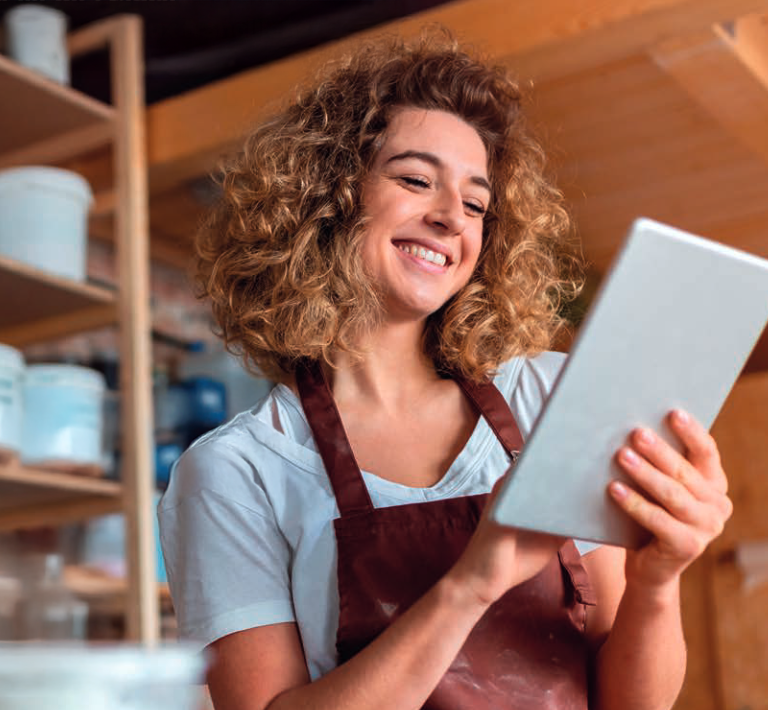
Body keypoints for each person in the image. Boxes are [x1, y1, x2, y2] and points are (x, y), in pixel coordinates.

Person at [157, 33, 733, 710]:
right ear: (330, 196)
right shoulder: (238, 470)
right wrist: (470, 584)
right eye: (413, 179)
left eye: (474, 204)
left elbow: (630, 702)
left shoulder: (547, 397)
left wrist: (658, 579)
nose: (447, 218)